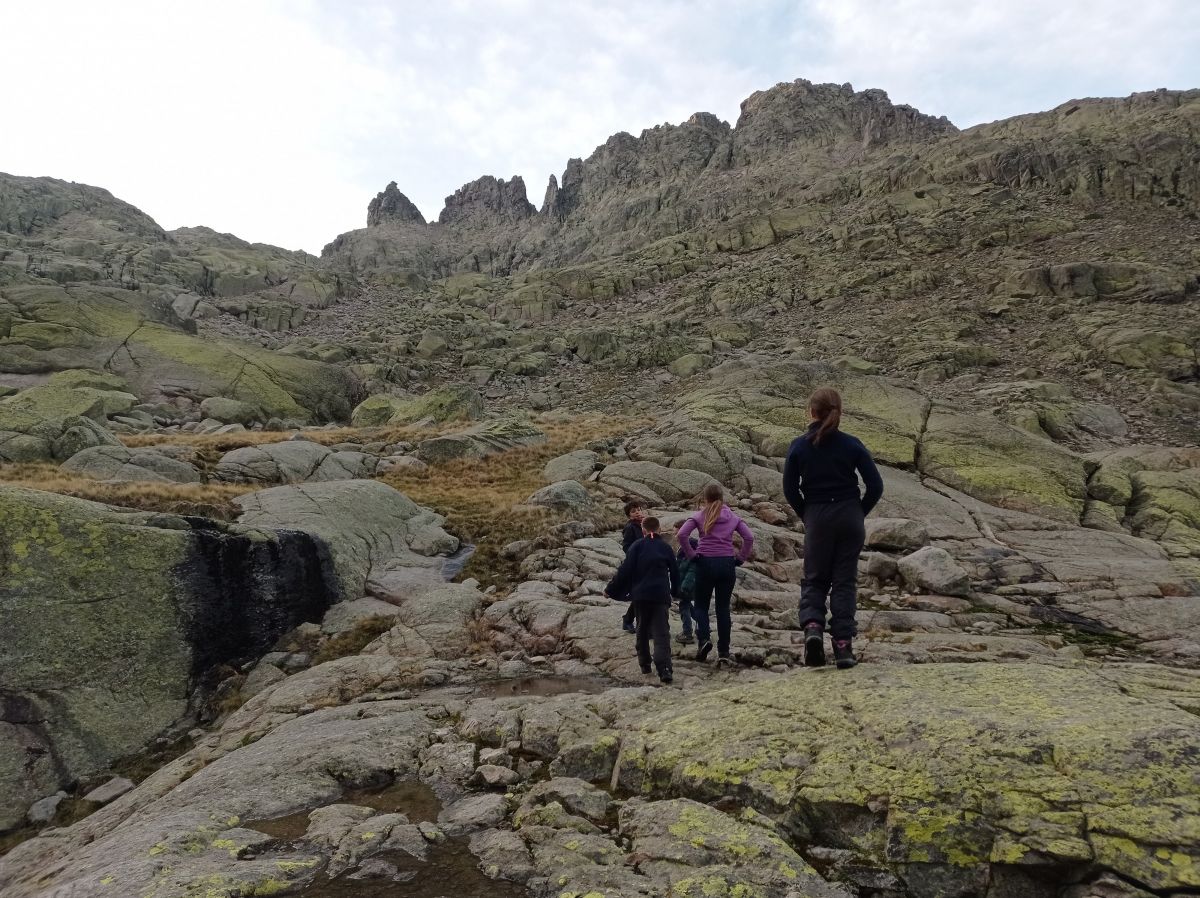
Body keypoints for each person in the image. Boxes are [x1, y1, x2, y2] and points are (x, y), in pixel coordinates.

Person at [782, 387, 884, 670]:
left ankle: (813, 628)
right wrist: (858, 512)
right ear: (839, 411)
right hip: (849, 514)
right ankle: (843, 646)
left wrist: (807, 514)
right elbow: (875, 486)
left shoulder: (799, 446)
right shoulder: (852, 444)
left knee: (815, 579)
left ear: (811, 412)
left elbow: (789, 489)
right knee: (844, 582)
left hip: (817, 515)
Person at [678, 484, 755, 665]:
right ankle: (724, 651)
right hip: (726, 564)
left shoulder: (699, 515)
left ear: (705, 499)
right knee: (723, 609)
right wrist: (740, 558)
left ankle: (704, 640)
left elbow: (681, 535)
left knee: (701, 606)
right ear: (722, 497)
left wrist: (692, 555)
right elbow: (749, 537)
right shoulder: (733, 517)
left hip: (704, 563)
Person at [604, 516, 680, 684]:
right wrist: (676, 592)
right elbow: (675, 572)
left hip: (640, 595)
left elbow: (625, 570)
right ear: (659, 529)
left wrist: (610, 589)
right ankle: (665, 669)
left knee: (642, 630)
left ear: (643, 530)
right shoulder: (666, 547)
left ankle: (645, 665)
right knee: (661, 633)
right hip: (660, 595)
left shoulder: (636, 546)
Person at [619, 499, 647, 633]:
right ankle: (630, 620)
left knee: (642, 593)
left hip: (648, 561)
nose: (637, 512)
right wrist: (636, 555)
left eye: (639, 510)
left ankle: (628, 619)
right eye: (633, 511)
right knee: (640, 594)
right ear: (629, 515)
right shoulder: (630, 527)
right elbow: (626, 547)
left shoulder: (644, 523)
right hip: (637, 564)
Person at [674, 532, 699, 644]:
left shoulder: (692, 559)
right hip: (685, 587)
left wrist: (684, 588)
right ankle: (703, 624)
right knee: (689, 606)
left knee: (684, 607)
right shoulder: (685, 556)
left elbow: (691, 574)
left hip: (687, 589)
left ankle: (687, 633)